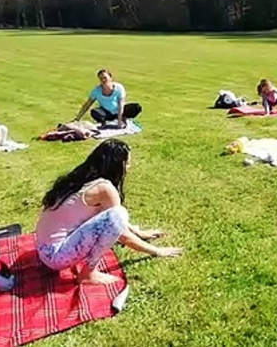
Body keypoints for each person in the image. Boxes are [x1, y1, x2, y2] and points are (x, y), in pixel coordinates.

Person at [36, 139, 182, 285]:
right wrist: (156, 251)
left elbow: (112, 221)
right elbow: (119, 229)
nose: (129, 167)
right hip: (57, 258)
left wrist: (140, 233)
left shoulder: (79, 179)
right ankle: (88, 274)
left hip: (43, 251)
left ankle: (88, 272)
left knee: (116, 215)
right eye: (128, 163)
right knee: (119, 213)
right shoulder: (104, 188)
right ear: (118, 165)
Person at [73, 69, 142, 127]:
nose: (103, 80)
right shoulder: (96, 91)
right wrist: (77, 118)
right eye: (101, 79)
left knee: (136, 107)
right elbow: (87, 105)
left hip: (120, 111)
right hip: (107, 113)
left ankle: (123, 118)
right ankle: (105, 122)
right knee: (94, 112)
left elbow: (121, 104)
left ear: (110, 78)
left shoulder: (119, 88)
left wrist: (119, 120)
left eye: (105, 78)